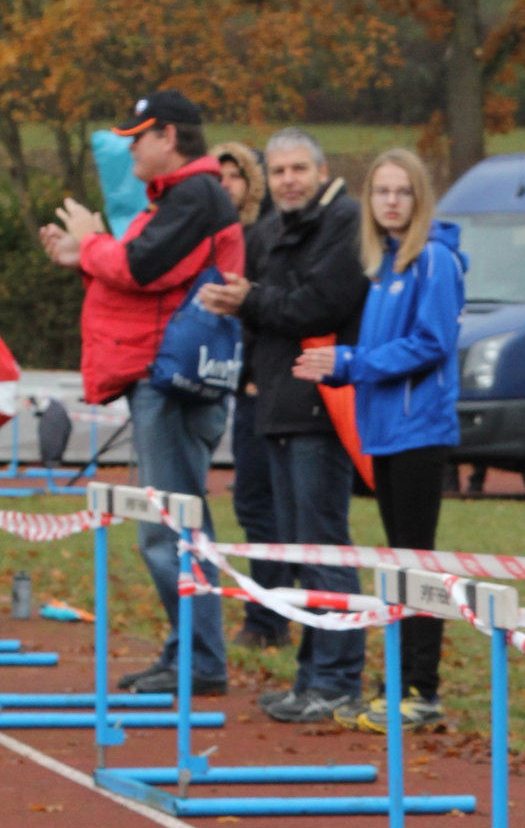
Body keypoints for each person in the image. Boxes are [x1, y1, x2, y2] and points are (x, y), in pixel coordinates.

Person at [38, 88, 243, 695]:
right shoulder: (181, 197)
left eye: (138, 137)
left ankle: (200, 661)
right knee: (172, 525)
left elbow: (137, 268)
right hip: (162, 377)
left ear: (169, 137)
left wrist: (92, 242)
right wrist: (85, 257)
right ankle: (188, 653)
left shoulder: (195, 194)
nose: (129, 149)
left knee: (168, 528)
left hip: (172, 381)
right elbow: (138, 274)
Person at [197, 131, 369, 722]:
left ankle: (339, 679)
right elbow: (264, 309)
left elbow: (318, 305)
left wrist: (252, 301)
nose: (289, 180)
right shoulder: (268, 230)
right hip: (274, 404)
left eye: (299, 168)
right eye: (278, 171)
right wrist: (249, 358)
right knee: (297, 548)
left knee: (324, 547)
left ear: (322, 170)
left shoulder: (346, 222)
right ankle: (309, 677)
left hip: (321, 406)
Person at [292, 148, 466, 730]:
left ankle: (422, 690)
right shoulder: (384, 265)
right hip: (385, 430)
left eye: (402, 191)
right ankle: (397, 683)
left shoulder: (433, 259)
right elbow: (379, 350)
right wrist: (342, 365)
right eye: (381, 191)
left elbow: (432, 343)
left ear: (420, 198)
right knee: (396, 560)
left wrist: (350, 362)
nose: (391, 202)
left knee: (415, 558)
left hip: (420, 430)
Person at [210, 141, 290, 652]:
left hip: (264, 385)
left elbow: (268, 308)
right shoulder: (209, 237)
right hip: (228, 383)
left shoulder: (265, 235)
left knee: (262, 503)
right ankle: (270, 612)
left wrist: (258, 369)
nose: (225, 187)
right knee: (253, 503)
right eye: (216, 179)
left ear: (252, 183)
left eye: (234, 177)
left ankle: (268, 619)